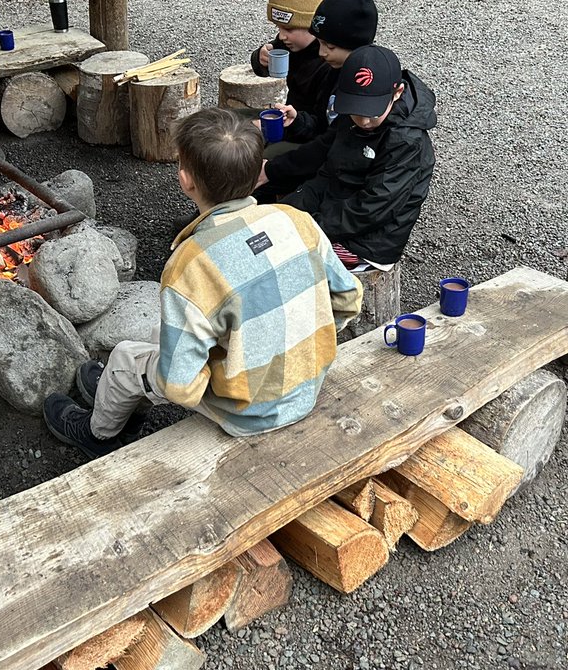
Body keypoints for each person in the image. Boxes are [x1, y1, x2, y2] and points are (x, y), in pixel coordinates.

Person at [43, 107, 364, 459]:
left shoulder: (191, 263)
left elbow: (181, 387)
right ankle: (120, 394)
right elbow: (348, 298)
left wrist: (181, 377)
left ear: (186, 180)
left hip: (250, 413)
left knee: (125, 358)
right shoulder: (297, 220)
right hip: (308, 384)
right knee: (159, 340)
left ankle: (99, 433)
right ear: (258, 170)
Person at [269, 45, 437, 270]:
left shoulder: (406, 141)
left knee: (284, 261)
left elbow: (372, 208)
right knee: (271, 225)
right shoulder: (350, 119)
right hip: (338, 212)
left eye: (372, 112)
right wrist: (287, 209)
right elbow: (327, 174)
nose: (363, 121)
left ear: (396, 93)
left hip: (368, 242)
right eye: (356, 110)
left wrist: (311, 224)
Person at [255, 0, 380, 201]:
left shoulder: (357, 87)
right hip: (314, 143)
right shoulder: (336, 66)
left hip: (335, 174)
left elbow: (330, 144)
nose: (322, 52)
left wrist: (272, 170)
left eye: (329, 46)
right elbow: (322, 125)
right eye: (320, 44)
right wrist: (296, 121)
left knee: (256, 176)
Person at [249, 0, 328, 143]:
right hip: (291, 118)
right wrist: (260, 59)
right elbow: (263, 66)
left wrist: (295, 121)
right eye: (278, 27)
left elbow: (324, 127)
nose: (282, 35)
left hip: (308, 134)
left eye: (288, 29)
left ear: (312, 25)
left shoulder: (328, 60)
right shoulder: (289, 43)